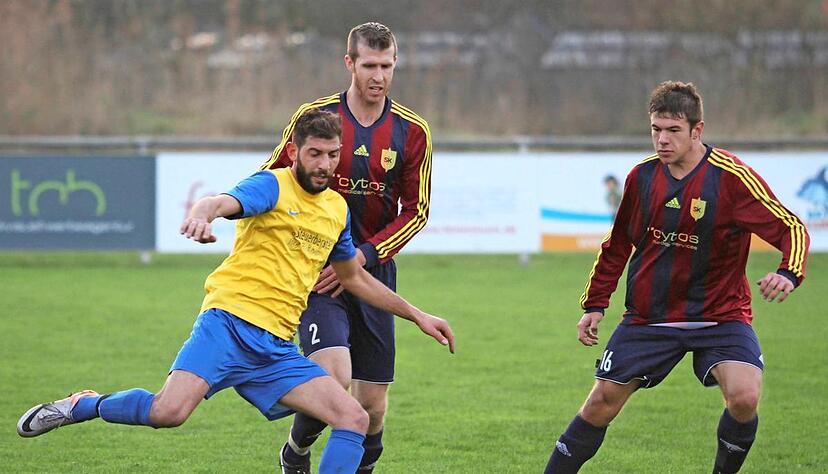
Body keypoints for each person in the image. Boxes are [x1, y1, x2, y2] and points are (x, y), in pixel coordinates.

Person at [17, 109, 454, 474]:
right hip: (227, 326)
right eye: (315, 154)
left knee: (353, 416)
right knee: (168, 413)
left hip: (275, 349)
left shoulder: (336, 209)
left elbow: (354, 278)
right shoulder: (272, 185)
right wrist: (201, 215)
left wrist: (417, 315)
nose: (324, 164)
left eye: (333, 155)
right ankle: (84, 405)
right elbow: (219, 202)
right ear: (296, 152)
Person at [544, 81, 809, 474]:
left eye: (673, 131)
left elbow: (791, 228)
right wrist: (595, 304)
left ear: (697, 131)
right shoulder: (642, 178)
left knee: (744, 397)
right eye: (655, 129)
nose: (662, 140)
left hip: (720, 315)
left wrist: (789, 271)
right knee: (600, 403)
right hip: (650, 317)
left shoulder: (733, 178)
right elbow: (617, 244)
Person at [260, 22, 432, 473]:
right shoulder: (317, 118)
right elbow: (273, 179)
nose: (379, 76)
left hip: (372, 274)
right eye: (370, 65)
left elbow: (415, 212)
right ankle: (296, 451)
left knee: (372, 408)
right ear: (349, 63)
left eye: (387, 66)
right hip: (319, 275)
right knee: (333, 380)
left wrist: (362, 255)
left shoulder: (412, 132)